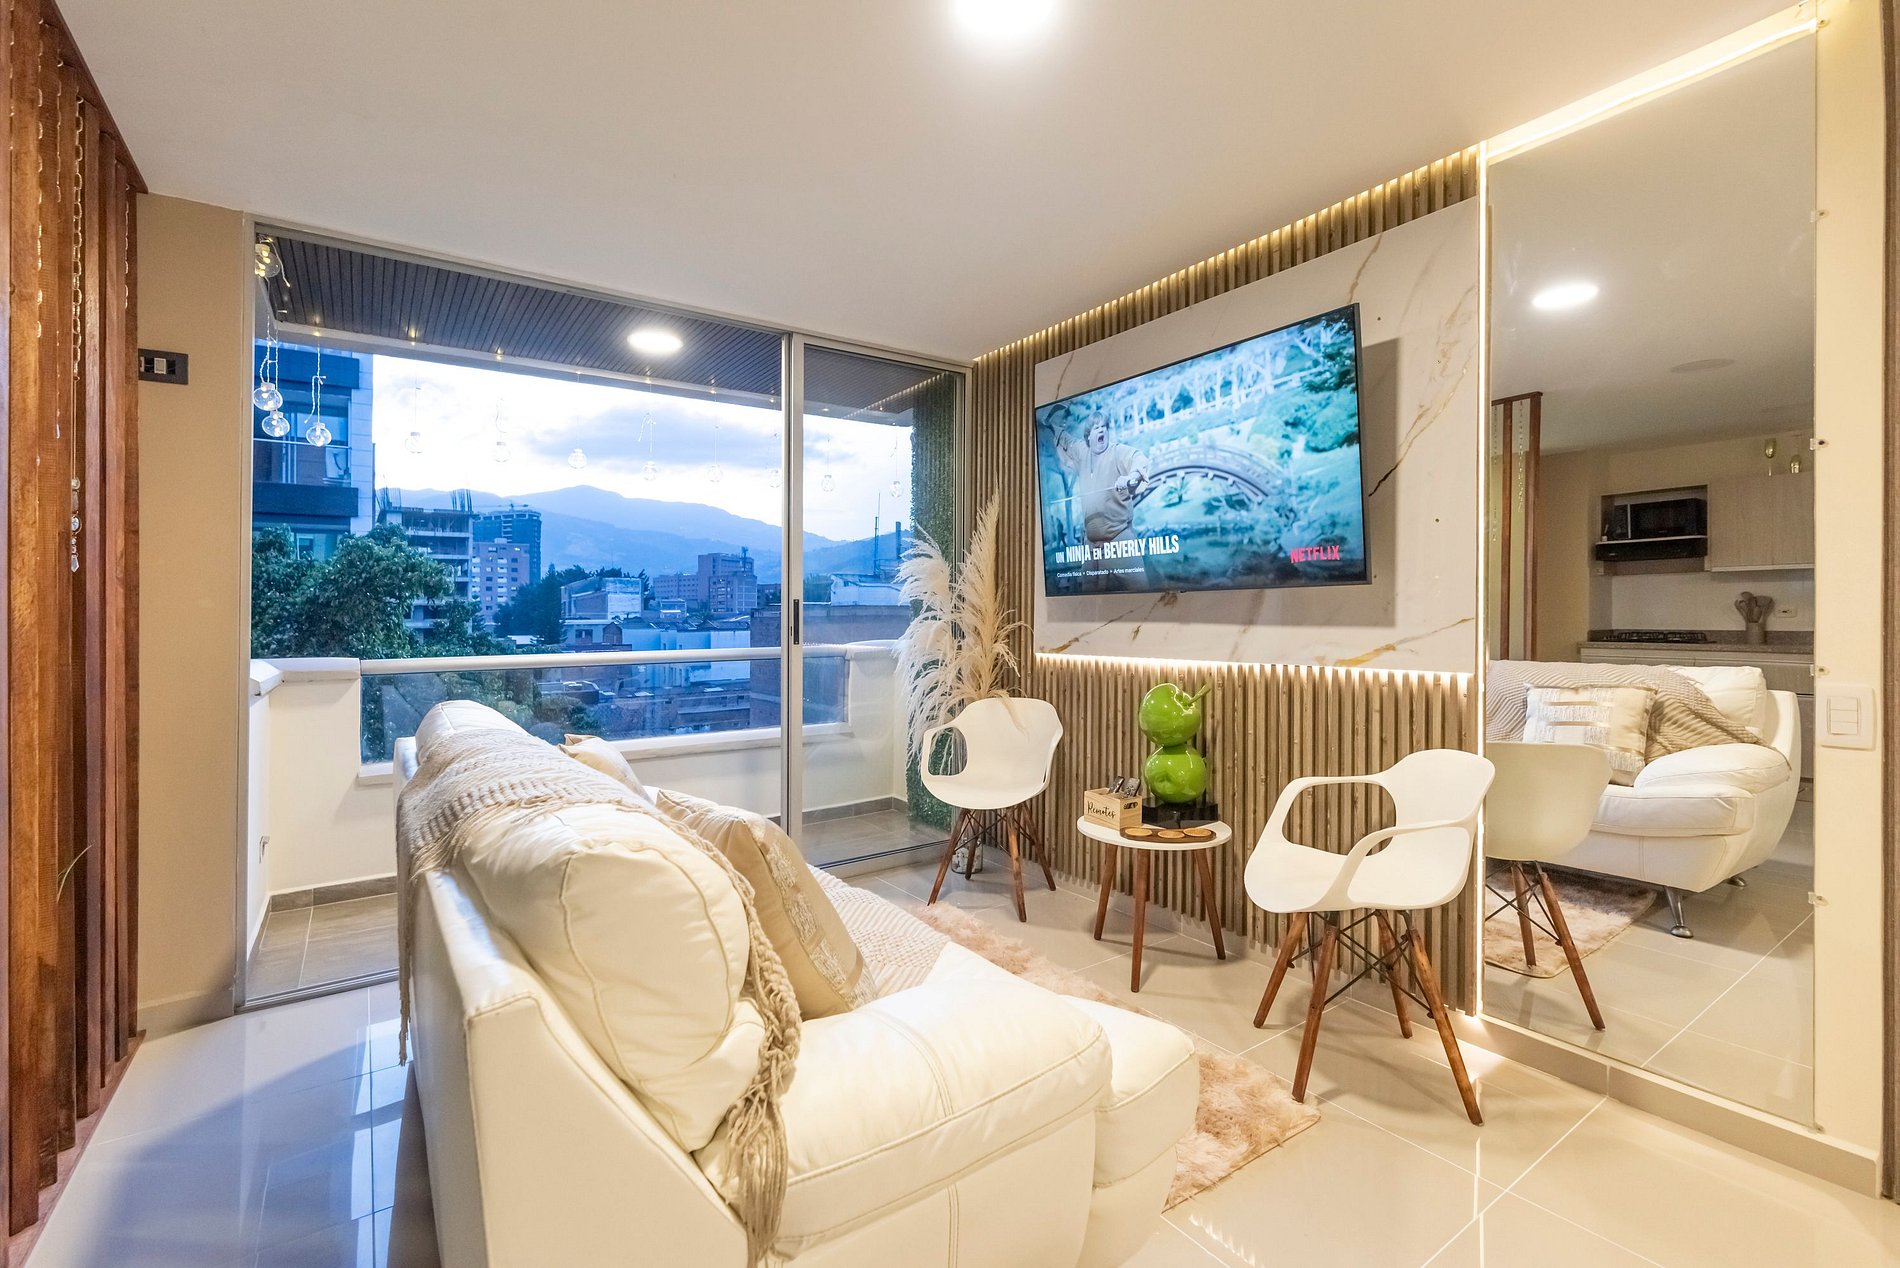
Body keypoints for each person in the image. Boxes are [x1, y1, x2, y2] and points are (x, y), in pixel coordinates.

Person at [1056, 417, 1149, 545]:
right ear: (1088, 436)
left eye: (1103, 427)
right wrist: (1050, 425)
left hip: (1120, 540)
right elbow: (1067, 441)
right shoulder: (1082, 451)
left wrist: (1129, 477)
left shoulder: (1117, 451)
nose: (1101, 430)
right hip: (1091, 544)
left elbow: (1138, 459)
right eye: (1096, 428)